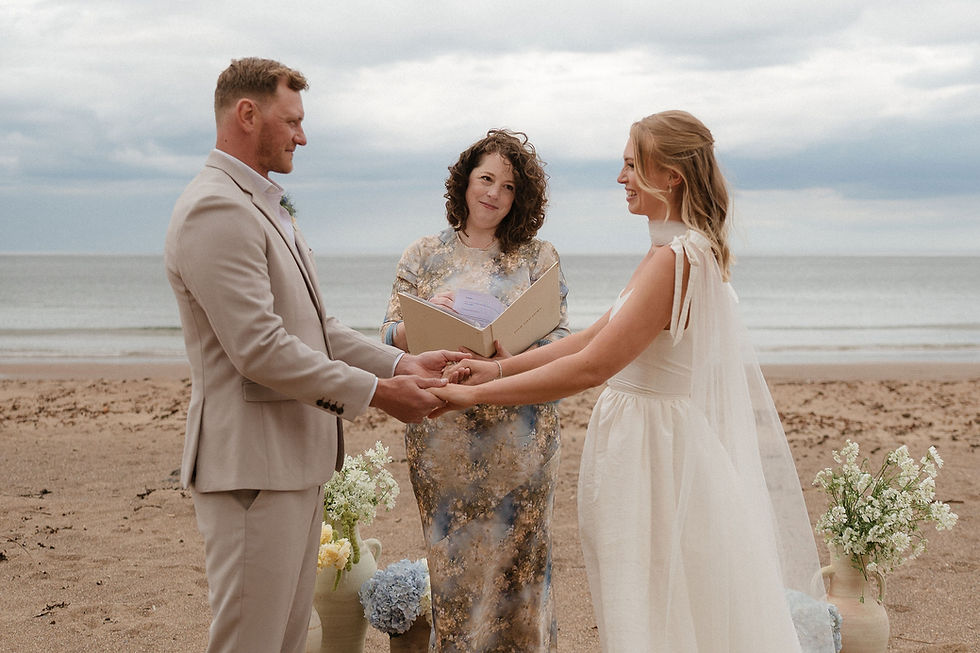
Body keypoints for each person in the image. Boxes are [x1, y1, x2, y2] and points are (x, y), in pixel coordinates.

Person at [432, 112, 836, 652]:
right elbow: (594, 336)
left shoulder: (677, 259)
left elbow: (593, 366)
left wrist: (474, 393)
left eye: (629, 165)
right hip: (641, 444)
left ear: (668, 175)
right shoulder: (664, 251)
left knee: (651, 608)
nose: (620, 178)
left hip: (653, 455)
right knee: (648, 600)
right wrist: (497, 367)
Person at [164, 57, 465, 653]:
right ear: (247, 114)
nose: (303, 136)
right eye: (292, 121)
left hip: (291, 467)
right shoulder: (216, 208)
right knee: (251, 642)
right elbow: (260, 349)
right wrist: (379, 395)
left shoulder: (263, 205)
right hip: (252, 469)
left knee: (284, 642)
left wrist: (403, 365)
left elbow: (317, 330)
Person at [380, 129, 570, 651]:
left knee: (523, 569)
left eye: (508, 187)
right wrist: (433, 316)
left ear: (520, 198)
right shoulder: (422, 254)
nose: (494, 194)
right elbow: (390, 334)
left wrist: (513, 358)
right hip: (445, 434)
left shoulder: (538, 256)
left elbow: (558, 336)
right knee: (456, 571)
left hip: (520, 436)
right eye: (486, 179)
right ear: (465, 182)